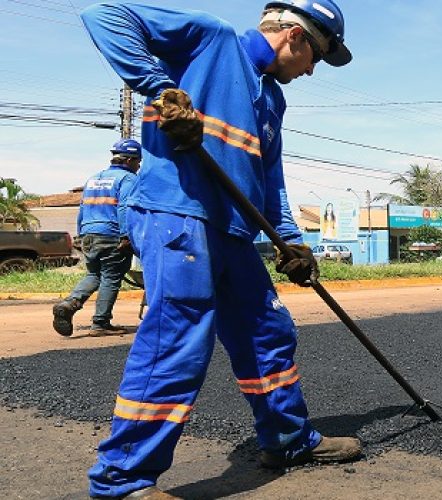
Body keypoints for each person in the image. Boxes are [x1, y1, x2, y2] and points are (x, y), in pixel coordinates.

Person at [79, 1, 359, 497]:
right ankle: (122, 481)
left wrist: (289, 239)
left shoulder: (273, 98)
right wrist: (161, 89)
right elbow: (104, 15)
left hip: (233, 232)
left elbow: (269, 178)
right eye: (316, 55)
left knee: (268, 332)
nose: (313, 69)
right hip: (178, 215)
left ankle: (287, 439)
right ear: (294, 36)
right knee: (178, 341)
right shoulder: (212, 39)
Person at [52, 139, 141, 337]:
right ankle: (100, 323)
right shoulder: (128, 179)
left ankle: (69, 304)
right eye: (138, 162)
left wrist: (79, 234)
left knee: (94, 275)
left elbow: (83, 208)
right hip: (111, 235)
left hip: (89, 235)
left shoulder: (93, 179)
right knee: (111, 277)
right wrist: (126, 236)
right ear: (129, 160)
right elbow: (124, 207)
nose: (139, 166)